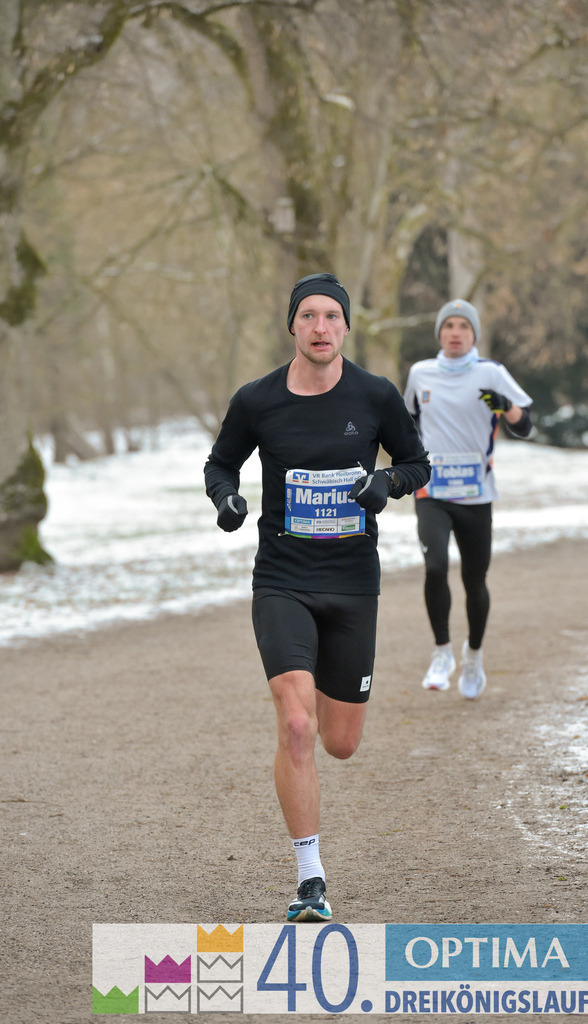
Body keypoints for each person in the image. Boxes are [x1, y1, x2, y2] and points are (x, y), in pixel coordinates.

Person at [204, 273, 430, 922]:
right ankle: (311, 880)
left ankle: (325, 749)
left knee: (340, 742)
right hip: (283, 579)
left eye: (332, 315)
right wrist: (227, 499)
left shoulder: (375, 394)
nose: (321, 326)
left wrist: (386, 482)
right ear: (293, 326)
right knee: (296, 724)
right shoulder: (257, 400)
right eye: (308, 315)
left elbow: (418, 464)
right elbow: (221, 464)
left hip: (353, 583)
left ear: (346, 326)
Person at [403, 298, 532, 698]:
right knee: (435, 566)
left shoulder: (491, 373)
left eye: (463, 326)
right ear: (439, 333)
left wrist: (506, 408)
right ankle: (442, 652)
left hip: (476, 495)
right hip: (433, 491)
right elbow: (406, 425)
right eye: (448, 326)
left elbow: (525, 425)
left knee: (475, 581)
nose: (455, 333)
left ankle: (473, 656)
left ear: (474, 334)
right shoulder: (420, 373)